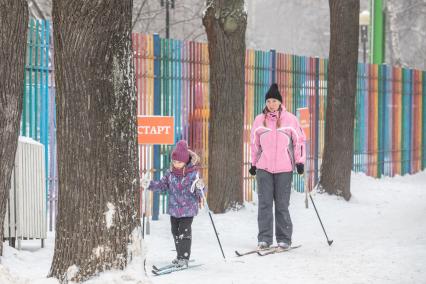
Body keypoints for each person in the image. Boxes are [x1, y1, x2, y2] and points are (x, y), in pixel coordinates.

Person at [249, 83, 306, 250]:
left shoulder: (290, 120)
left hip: (284, 169)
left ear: (280, 102)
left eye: (274, 101)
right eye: (268, 101)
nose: (271, 104)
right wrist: (253, 164)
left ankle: (284, 239)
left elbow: (299, 142)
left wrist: (299, 161)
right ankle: (264, 239)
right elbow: (254, 144)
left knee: (282, 204)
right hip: (263, 168)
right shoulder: (260, 121)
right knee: (265, 204)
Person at [141, 140, 205, 268]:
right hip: (174, 209)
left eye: (179, 162)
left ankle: (184, 257)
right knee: (175, 231)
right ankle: (179, 255)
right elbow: (161, 185)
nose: (176, 164)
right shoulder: (170, 174)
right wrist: (149, 184)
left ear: (186, 161)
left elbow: (201, 191)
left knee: (184, 232)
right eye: (174, 161)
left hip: (188, 209)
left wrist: (200, 187)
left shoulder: (193, 174)